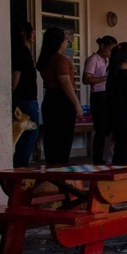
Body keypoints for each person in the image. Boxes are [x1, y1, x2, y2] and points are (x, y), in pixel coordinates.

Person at [37, 27, 83, 165]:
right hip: (62, 101)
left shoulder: (45, 58)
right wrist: (76, 103)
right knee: (63, 140)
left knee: (52, 139)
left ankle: (53, 171)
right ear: (59, 41)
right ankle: (60, 172)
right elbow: (64, 82)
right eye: (65, 39)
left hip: (50, 99)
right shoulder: (59, 59)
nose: (66, 42)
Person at [81, 35, 116, 164]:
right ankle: (98, 158)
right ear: (102, 46)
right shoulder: (93, 59)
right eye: (110, 49)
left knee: (108, 128)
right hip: (98, 95)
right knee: (100, 129)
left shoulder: (107, 60)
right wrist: (106, 78)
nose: (110, 53)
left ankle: (107, 157)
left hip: (107, 94)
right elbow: (86, 79)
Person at [11, 21, 41, 168]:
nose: (34, 35)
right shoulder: (21, 51)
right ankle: (20, 166)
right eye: (32, 32)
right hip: (25, 99)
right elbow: (16, 74)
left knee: (27, 134)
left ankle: (20, 164)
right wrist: (10, 94)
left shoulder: (25, 51)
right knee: (31, 132)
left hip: (27, 98)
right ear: (24, 33)